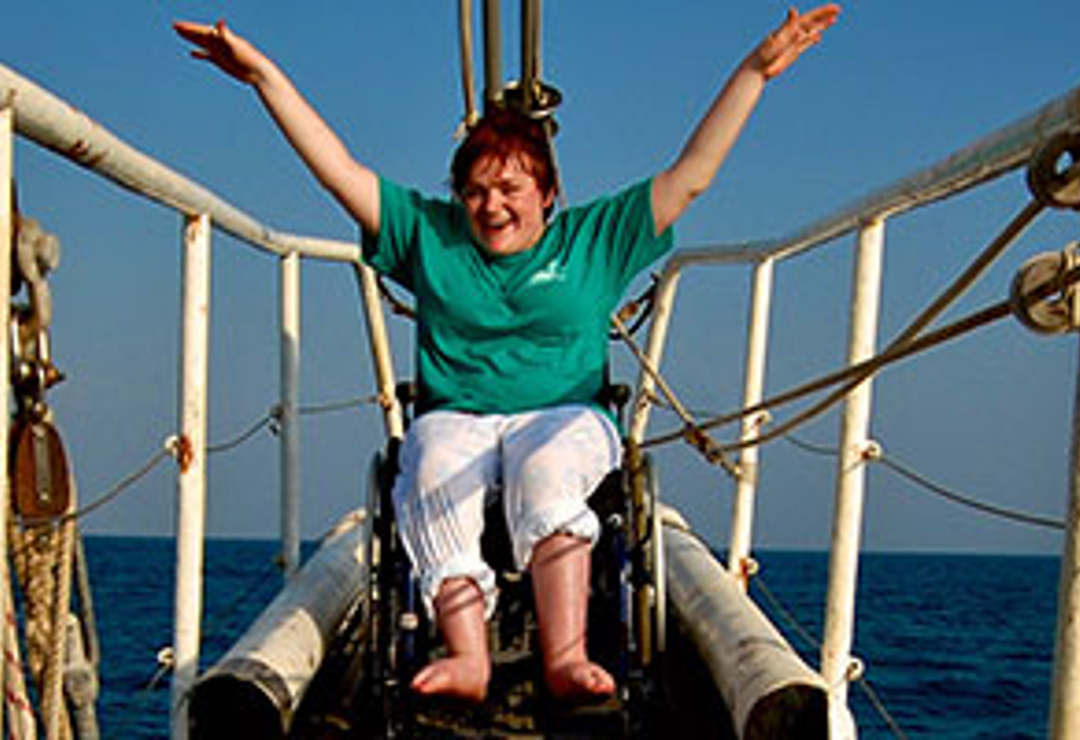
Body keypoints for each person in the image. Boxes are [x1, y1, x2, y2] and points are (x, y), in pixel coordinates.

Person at [175, 4, 839, 704]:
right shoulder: (429, 235)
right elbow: (338, 172)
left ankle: (566, 655)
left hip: (566, 414)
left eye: (511, 188)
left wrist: (757, 71)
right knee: (429, 464)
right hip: (455, 414)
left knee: (546, 467)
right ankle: (467, 657)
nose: (492, 206)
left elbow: (693, 175)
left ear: (548, 193)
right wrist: (261, 77)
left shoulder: (597, 238)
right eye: (476, 190)